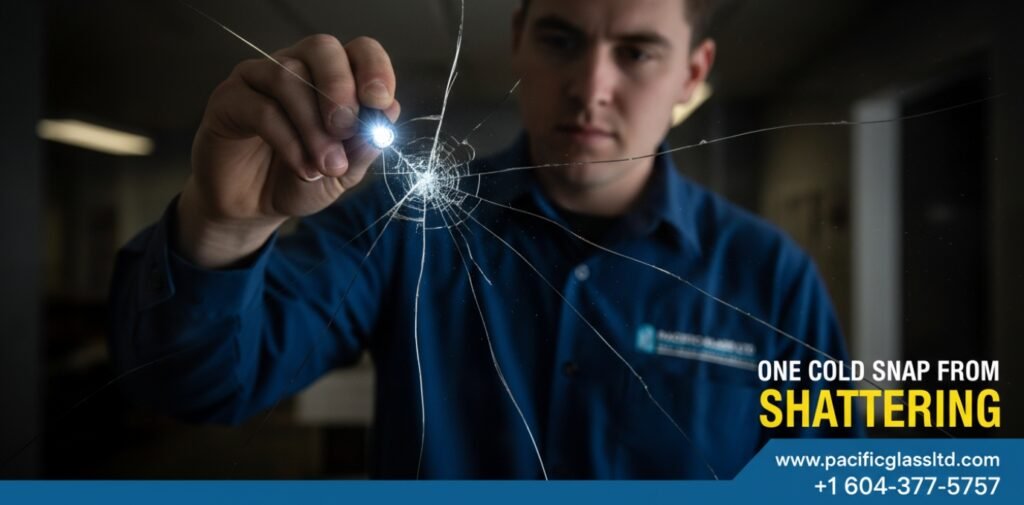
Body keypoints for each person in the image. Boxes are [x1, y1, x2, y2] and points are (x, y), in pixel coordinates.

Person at [110, 0, 858, 479]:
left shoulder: (771, 275)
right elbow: (193, 383)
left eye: (636, 52)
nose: (591, 87)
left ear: (693, 73)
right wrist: (226, 223)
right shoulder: (402, 226)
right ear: (518, 40)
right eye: (561, 39)